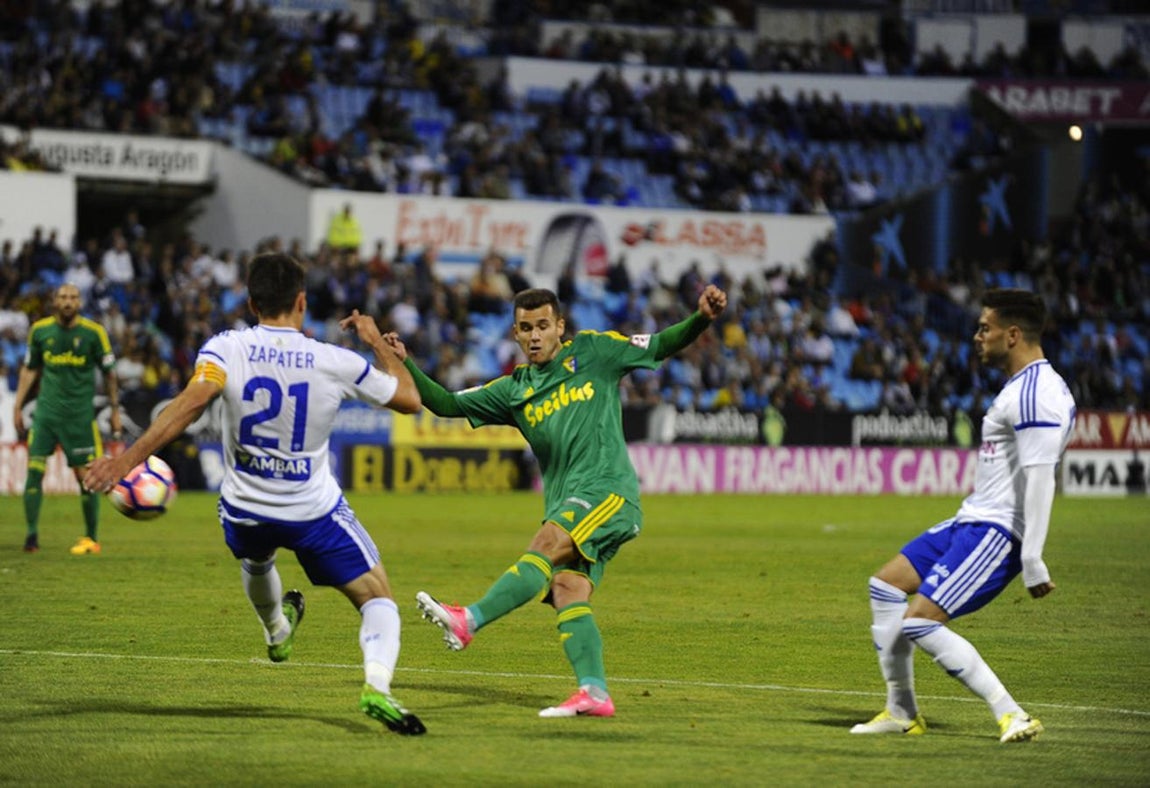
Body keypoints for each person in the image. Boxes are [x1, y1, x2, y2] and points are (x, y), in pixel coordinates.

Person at [82, 253, 427, 736]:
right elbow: (409, 399)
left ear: (251, 303)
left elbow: (191, 402)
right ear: (302, 301)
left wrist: (124, 462)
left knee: (257, 559)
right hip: (311, 512)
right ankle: (377, 686)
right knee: (377, 599)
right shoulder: (335, 361)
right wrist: (375, 342)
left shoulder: (226, 349)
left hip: (244, 509)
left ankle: (276, 630)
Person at [397, 284, 727, 718]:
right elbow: (444, 403)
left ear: (560, 327)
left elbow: (661, 344)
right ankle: (594, 692)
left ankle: (469, 620)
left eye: (543, 326)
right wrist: (404, 362)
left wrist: (701, 318)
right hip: (568, 503)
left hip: (608, 493)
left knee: (546, 543)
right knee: (567, 588)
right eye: (526, 328)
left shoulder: (595, 352)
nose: (535, 336)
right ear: (515, 334)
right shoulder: (514, 390)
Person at [850, 288, 1076, 743]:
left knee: (919, 621)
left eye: (985, 328)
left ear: (1013, 335)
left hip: (997, 531)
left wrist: (1032, 558)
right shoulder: (1022, 386)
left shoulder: (1037, 394)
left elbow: (1041, 477)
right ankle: (902, 712)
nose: (977, 336)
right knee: (885, 586)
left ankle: (1012, 715)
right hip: (971, 520)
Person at [14, 283, 123, 555]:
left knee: (87, 478)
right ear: (55, 301)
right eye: (63, 297)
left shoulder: (94, 333)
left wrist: (115, 410)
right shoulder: (40, 331)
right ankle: (31, 536)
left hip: (79, 417)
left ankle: (91, 537)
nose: (68, 302)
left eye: (73, 297)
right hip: (46, 414)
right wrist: (17, 406)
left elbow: (110, 373)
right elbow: (30, 369)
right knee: (34, 471)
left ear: (79, 303)